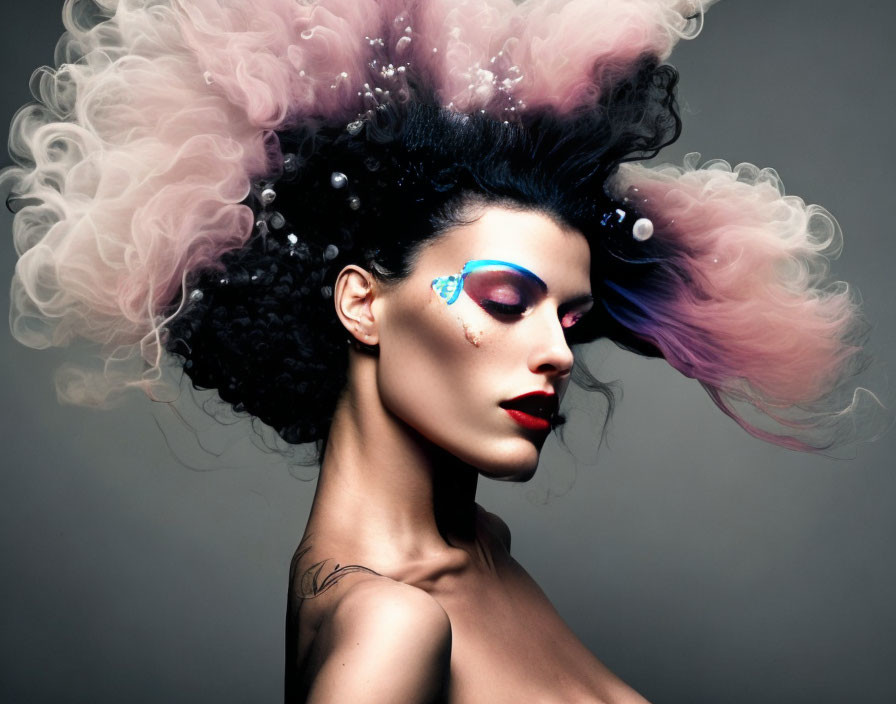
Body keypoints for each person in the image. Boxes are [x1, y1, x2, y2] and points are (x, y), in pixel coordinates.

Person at [2, 1, 886, 702]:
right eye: (507, 302)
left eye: (570, 321)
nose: (559, 356)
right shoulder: (391, 626)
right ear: (363, 303)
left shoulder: (478, 551)